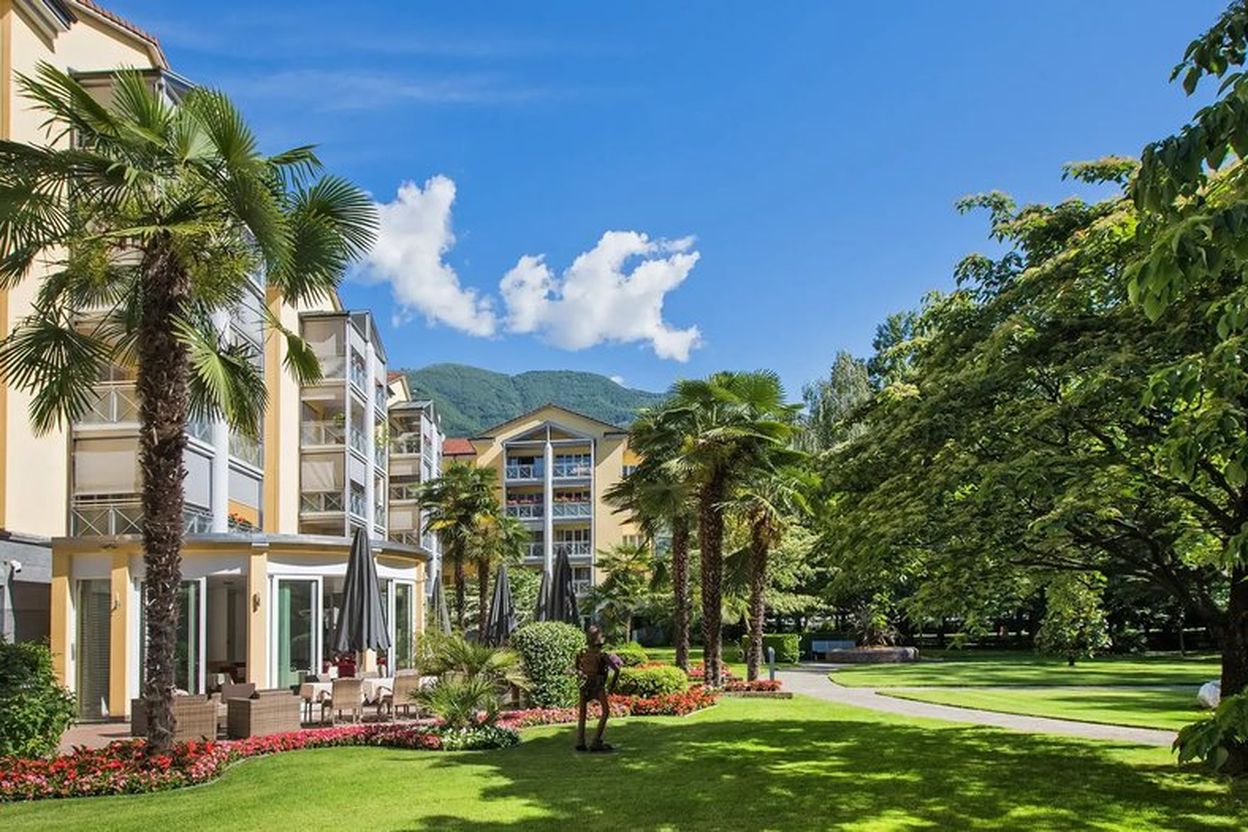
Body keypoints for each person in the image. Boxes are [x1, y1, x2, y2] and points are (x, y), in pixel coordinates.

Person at [575, 625, 621, 752]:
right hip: (597, 685)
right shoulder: (601, 655)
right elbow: (616, 670)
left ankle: (580, 741)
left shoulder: (582, 653)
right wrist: (612, 686)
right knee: (605, 711)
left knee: (582, 713)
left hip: (584, 685)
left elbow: (577, 669)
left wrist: (582, 675)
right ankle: (596, 741)